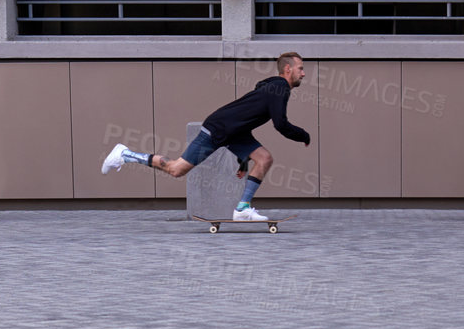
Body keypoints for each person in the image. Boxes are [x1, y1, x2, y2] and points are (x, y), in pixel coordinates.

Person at [101, 51, 310, 222]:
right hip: (217, 129)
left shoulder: (272, 88)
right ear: (287, 69)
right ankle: (125, 154)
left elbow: (245, 118)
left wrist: (243, 161)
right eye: (300, 69)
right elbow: (280, 124)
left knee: (264, 158)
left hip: (233, 132)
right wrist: (303, 135)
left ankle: (242, 210)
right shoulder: (279, 88)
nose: (303, 74)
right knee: (176, 169)